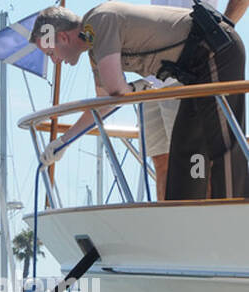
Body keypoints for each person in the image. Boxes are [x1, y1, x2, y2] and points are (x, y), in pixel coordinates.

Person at [34, 2, 247, 200]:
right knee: (185, 149)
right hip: (194, 70)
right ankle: (185, 221)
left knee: (223, 144)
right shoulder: (94, 46)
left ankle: (232, 215)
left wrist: (132, 88)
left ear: (63, 37)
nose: (54, 61)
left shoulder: (99, 22)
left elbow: (116, 90)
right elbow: (105, 104)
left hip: (217, 51)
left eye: (51, 53)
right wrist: (63, 143)